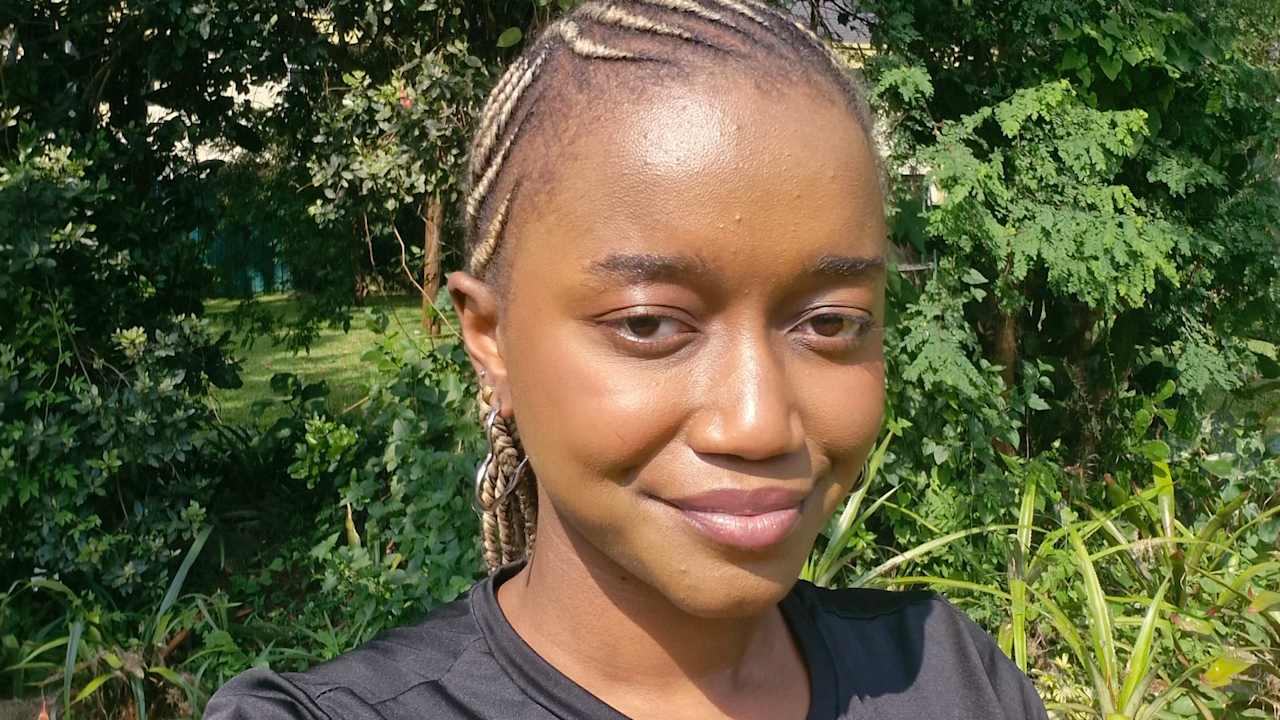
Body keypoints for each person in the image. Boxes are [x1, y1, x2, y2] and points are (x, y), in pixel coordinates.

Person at [206, 1, 1049, 718]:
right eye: (648, 325)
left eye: (829, 322)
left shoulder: (948, 678)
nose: (757, 424)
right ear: (491, 340)